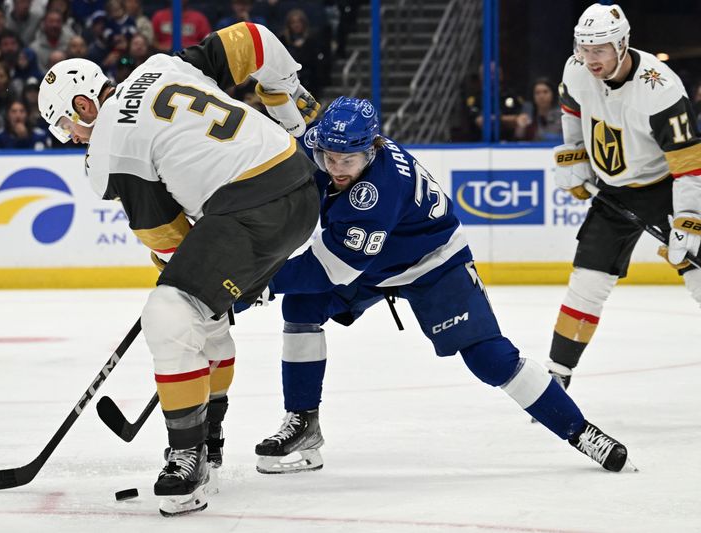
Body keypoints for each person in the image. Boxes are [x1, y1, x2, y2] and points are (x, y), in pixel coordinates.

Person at [250, 96, 633, 477]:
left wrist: (256, 282)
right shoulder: (335, 147)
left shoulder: (377, 193)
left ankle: (581, 432)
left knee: (490, 359)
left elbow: (330, 268)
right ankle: (304, 424)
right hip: (375, 261)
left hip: (433, 264)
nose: (335, 168)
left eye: (347, 160)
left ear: (372, 149)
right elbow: (297, 145)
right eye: (329, 157)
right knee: (300, 306)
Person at [37, 21, 321, 516]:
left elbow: (168, 239)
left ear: (85, 104)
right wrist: (291, 96)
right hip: (296, 180)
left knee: (169, 313)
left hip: (250, 211)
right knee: (202, 315)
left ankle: (187, 456)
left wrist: (185, 272)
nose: (73, 138)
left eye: (68, 126)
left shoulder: (109, 147)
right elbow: (253, 40)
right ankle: (208, 439)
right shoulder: (162, 66)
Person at [546, 3, 701, 390]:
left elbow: (689, 164)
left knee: (697, 274)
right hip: (614, 192)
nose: (589, 59)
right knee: (588, 281)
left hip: (666, 188)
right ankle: (556, 375)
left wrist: (688, 219)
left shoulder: (661, 89)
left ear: (622, 44)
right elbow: (571, 110)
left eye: (599, 50)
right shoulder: (576, 68)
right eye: (583, 48)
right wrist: (575, 153)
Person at [514, 78, 562, 142]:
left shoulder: (562, 115)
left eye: (545, 92)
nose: (541, 96)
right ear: (533, 96)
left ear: (553, 94)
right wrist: (521, 127)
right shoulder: (528, 115)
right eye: (537, 93)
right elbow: (518, 140)